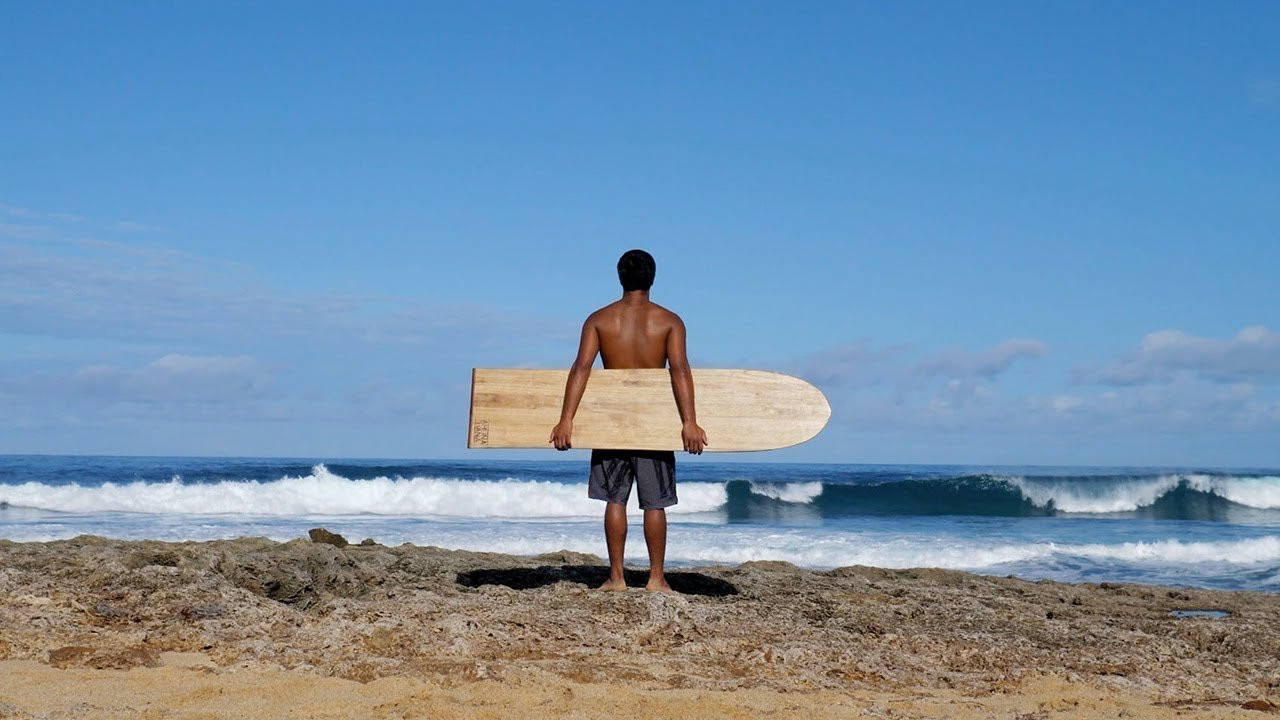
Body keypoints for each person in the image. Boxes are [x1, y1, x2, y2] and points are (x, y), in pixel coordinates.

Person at [549, 249, 708, 593]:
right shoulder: (669, 321)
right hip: (653, 423)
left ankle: (617, 578)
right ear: (653, 278)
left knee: (615, 500)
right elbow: (679, 369)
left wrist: (566, 421)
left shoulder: (599, 320)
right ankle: (655, 578)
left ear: (620, 277)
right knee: (655, 502)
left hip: (612, 421)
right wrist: (689, 422)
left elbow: (581, 368)